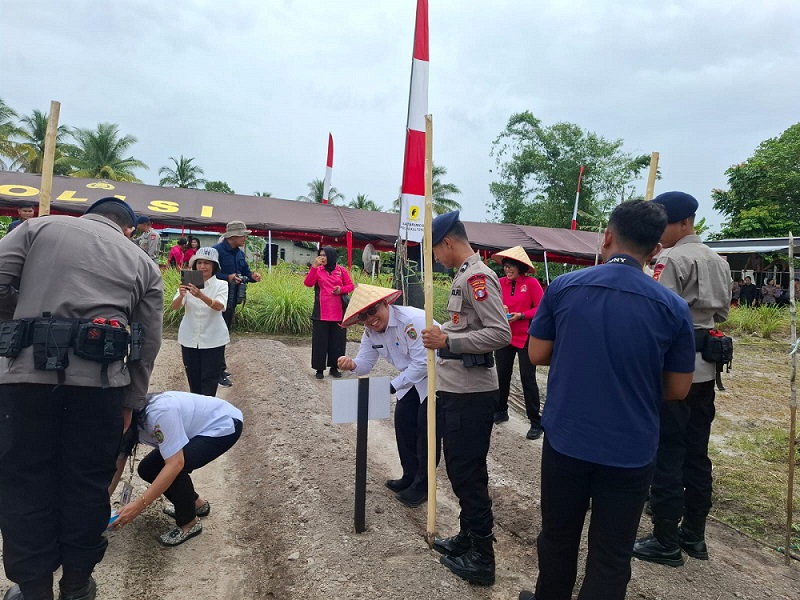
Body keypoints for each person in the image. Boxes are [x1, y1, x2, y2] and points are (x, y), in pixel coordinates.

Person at [518, 200, 695, 600]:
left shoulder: (563, 288)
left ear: (608, 237)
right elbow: (679, 389)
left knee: (558, 537)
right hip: (631, 450)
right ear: (655, 251)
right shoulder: (673, 307)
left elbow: (537, 355)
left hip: (567, 441)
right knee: (612, 554)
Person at [0, 197, 163, 600]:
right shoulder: (143, 262)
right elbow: (148, 343)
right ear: (129, 230)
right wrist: (131, 401)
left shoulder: (39, 228)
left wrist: (21, 314)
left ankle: (34, 589)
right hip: (101, 388)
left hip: (26, 382)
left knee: (25, 482)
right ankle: (76, 585)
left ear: (86, 215)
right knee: (86, 484)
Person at [633, 191, 732, 567]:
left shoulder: (670, 258)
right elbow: (720, 315)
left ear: (684, 222)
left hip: (674, 366)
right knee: (697, 451)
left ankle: (665, 539)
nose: (660, 232)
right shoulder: (718, 260)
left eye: (665, 224)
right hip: (706, 367)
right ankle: (695, 534)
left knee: (668, 451)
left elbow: (655, 310)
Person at [420, 211, 511, 586]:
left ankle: (483, 558)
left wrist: (449, 341)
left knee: (468, 474)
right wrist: (445, 334)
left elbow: (500, 332)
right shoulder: (463, 276)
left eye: (434, 250)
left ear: (448, 242)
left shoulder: (477, 277)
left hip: (471, 393)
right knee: (461, 470)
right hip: (457, 388)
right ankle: (467, 537)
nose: (435, 258)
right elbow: (467, 326)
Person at [337, 284, 440, 507]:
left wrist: (391, 386)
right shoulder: (370, 331)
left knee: (426, 430)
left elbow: (423, 363)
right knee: (403, 422)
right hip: (412, 377)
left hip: (439, 375)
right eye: (363, 316)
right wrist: (352, 364)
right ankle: (410, 476)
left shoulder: (411, 321)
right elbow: (365, 363)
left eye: (373, 311)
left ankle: (423, 486)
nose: (370, 319)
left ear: (385, 303)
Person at [110, 391, 243, 546]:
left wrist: (137, 507)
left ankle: (189, 523)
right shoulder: (125, 422)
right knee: (148, 468)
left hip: (224, 425)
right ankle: (196, 504)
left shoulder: (158, 413)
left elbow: (175, 464)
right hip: (198, 429)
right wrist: (101, 502)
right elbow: (116, 466)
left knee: (174, 468)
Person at [490, 246, 544, 440]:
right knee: (502, 375)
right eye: (505, 266)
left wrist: (522, 315)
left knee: (527, 378)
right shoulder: (499, 283)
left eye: (511, 266)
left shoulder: (531, 283)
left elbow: (541, 308)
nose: (507, 269)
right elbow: (491, 304)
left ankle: (536, 421)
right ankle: (501, 410)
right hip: (504, 335)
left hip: (526, 336)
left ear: (520, 267)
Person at [171, 247, 229, 396]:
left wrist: (201, 296)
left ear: (214, 266)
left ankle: (207, 413)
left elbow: (220, 306)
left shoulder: (221, 285)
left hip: (213, 339)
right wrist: (181, 294)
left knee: (210, 380)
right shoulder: (187, 282)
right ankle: (196, 412)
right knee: (193, 379)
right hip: (189, 338)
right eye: (200, 263)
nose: (202, 267)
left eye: (207, 263)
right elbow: (175, 307)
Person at [213, 221, 262, 387]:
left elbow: (245, 272)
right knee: (217, 335)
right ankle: (217, 372)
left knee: (224, 333)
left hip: (232, 300)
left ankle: (220, 367)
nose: (245, 239)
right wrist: (227, 277)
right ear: (233, 236)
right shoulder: (216, 251)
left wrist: (253, 276)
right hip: (217, 300)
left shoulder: (239, 253)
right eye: (243, 236)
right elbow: (207, 274)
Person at [304, 246, 354, 379]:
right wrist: (314, 267)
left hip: (338, 313)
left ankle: (334, 367)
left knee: (337, 342)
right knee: (320, 342)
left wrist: (341, 290)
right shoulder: (318, 270)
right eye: (320, 255)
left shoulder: (341, 271)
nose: (322, 257)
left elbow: (350, 286)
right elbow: (308, 283)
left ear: (331, 256)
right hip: (321, 312)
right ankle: (319, 369)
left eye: (325, 255)